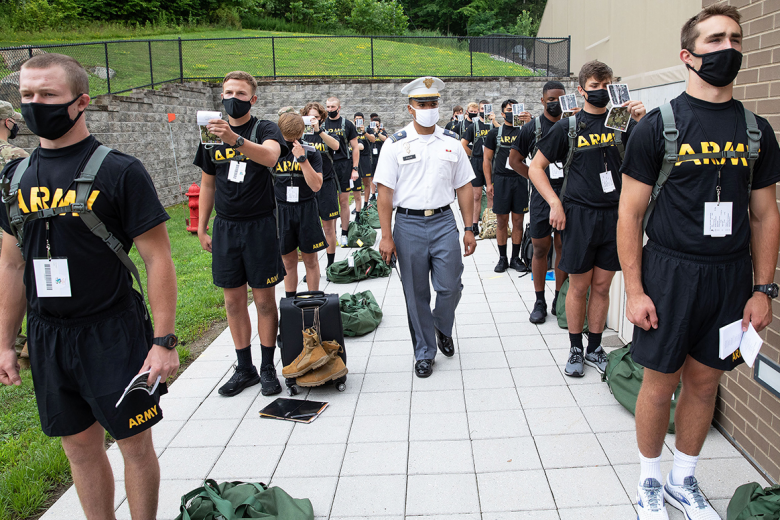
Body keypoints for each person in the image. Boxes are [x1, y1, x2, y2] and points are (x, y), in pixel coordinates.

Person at [617, 6, 780, 519]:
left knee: (706, 381)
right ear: (688, 55)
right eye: (714, 40)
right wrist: (637, 290)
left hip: (730, 277)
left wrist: (764, 288)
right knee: (660, 380)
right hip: (668, 270)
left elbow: (765, 214)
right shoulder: (659, 127)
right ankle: (648, 481)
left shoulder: (757, 131)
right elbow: (630, 213)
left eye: (734, 38)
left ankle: (682, 480)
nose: (727, 47)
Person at [0, 53, 178, 520]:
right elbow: (11, 263)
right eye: (27, 96)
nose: (35, 104)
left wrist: (163, 341)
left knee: (133, 445)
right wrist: (5, 342)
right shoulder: (12, 178)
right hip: (48, 335)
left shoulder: (120, 171)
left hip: (113, 331)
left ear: (81, 102)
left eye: (48, 95)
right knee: (79, 449)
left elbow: (157, 257)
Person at [529, 61, 646, 378]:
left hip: (615, 216)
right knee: (579, 286)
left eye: (607, 85)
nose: (602, 92)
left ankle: (596, 347)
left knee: (603, 286)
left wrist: (642, 120)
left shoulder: (620, 120)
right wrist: (554, 202)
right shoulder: (568, 127)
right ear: (581, 90)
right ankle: (575, 348)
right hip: (579, 215)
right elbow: (535, 167)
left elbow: (651, 152)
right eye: (595, 87)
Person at [374, 76, 476, 378]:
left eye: (433, 103)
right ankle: (424, 352)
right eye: (422, 103)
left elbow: (465, 187)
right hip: (408, 224)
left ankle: (441, 325)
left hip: (444, 221)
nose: (429, 108)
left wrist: (469, 227)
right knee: (415, 292)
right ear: (410, 108)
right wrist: (386, 236)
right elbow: (385, 195)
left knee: (450, 285)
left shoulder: (451, 143)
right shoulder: (394, 145)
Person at [194, 71, 288, 397]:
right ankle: (244, 367)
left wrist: (234, 139)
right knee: (233, 302)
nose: (233, 97)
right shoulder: (209, 135)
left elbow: (271, 157)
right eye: (228, 91)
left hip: (260, 225)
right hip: (225, 227)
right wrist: (202, 225)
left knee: (263, 301)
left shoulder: (264, 129)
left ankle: (267, 367)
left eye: (241, 92)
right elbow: (208, 182)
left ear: (253, 98)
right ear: (221, 96)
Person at [509, 81, 574, 323]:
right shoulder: (532, 128)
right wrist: (536, 179)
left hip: (568, 193)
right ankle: (539, 300)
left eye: (560, 99)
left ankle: (559, 297)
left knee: (563, 247)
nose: (556, 104)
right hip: (541, 196)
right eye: (551, 100)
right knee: (540, 248)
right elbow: (515, 161)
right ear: (543, 101)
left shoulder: (573, 126)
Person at [275, 113, 327, 295]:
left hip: (306, 208)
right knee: (288, 261)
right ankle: (290, 301)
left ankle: (314, 301)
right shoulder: (274, 151)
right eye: (287, 139)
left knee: (310, 260)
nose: (291, 142)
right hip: (282, 209)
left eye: (294, 138)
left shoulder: (311, 151)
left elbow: (316, 185)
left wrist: (302, 159)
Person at [483, 98, 531, 272]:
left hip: (520, 179)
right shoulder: (494, 134)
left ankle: (515, 258)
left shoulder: (525, 131)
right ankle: (502, 258)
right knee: (502, 221)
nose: (512, 112)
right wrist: (489, 183)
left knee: (518, 221)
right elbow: (487, 160)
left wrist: (530, 122)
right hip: (501, 180)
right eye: (509, 110)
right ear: (502, 114)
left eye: (515, 109)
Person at [301, 102, 340, 274]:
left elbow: (336, 146)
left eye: (316, 117)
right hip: (308, 185)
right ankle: (312, 268)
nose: (313, 120)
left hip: (326, 183)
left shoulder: (326, 133)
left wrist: (319, 130)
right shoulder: (301, 135)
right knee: (309, 227)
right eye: (310, 117)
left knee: (328, 227)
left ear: (321, 118)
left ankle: (330, 264)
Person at [323, 97, 361, 246]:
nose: (330, 109)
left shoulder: (348, 125)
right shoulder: (322, 124)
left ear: (339, 108)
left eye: (333, 107)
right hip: (327, 165)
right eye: (328, 107)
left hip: (343, 165)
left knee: (344, 201)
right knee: (330, 202)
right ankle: (332, 236)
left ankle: (344, 233)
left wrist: (355, 168)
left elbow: (356, 147)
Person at [461, 99, 499, 234]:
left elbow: (503, 132)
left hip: (490, 162)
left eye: (487, 109)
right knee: (476, 195)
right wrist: (473, 155)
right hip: (477, 162)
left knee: (491, 193)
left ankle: (489, 222)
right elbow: (463, 144)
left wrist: (494, 121)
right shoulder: (474, 126)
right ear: (479, 111)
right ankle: (474, 223)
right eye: (482, 109)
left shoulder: (494, 126)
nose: (484, 112)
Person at [354, 112, 376, 207]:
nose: (358, 120)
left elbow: (373, 139)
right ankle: (357, 206)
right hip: (355, 158)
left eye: (360, 119)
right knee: (356, 184)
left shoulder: (368, 129)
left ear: (363, 120)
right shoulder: (351, 129)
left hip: (365, 157)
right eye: (356, 119)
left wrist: (364, 132)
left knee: (366, 182)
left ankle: (366, 204)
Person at [369, 114, 388, 195]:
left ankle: (381, 192)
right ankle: (373, 193)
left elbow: (386, 139)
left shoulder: (382, 131)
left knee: (381, 174)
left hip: (381, 156)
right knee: (372, 175)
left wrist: (378, 132)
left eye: (377, 124)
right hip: (371, 156)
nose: (375, 126)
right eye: (374, 124)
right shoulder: (369, 131)